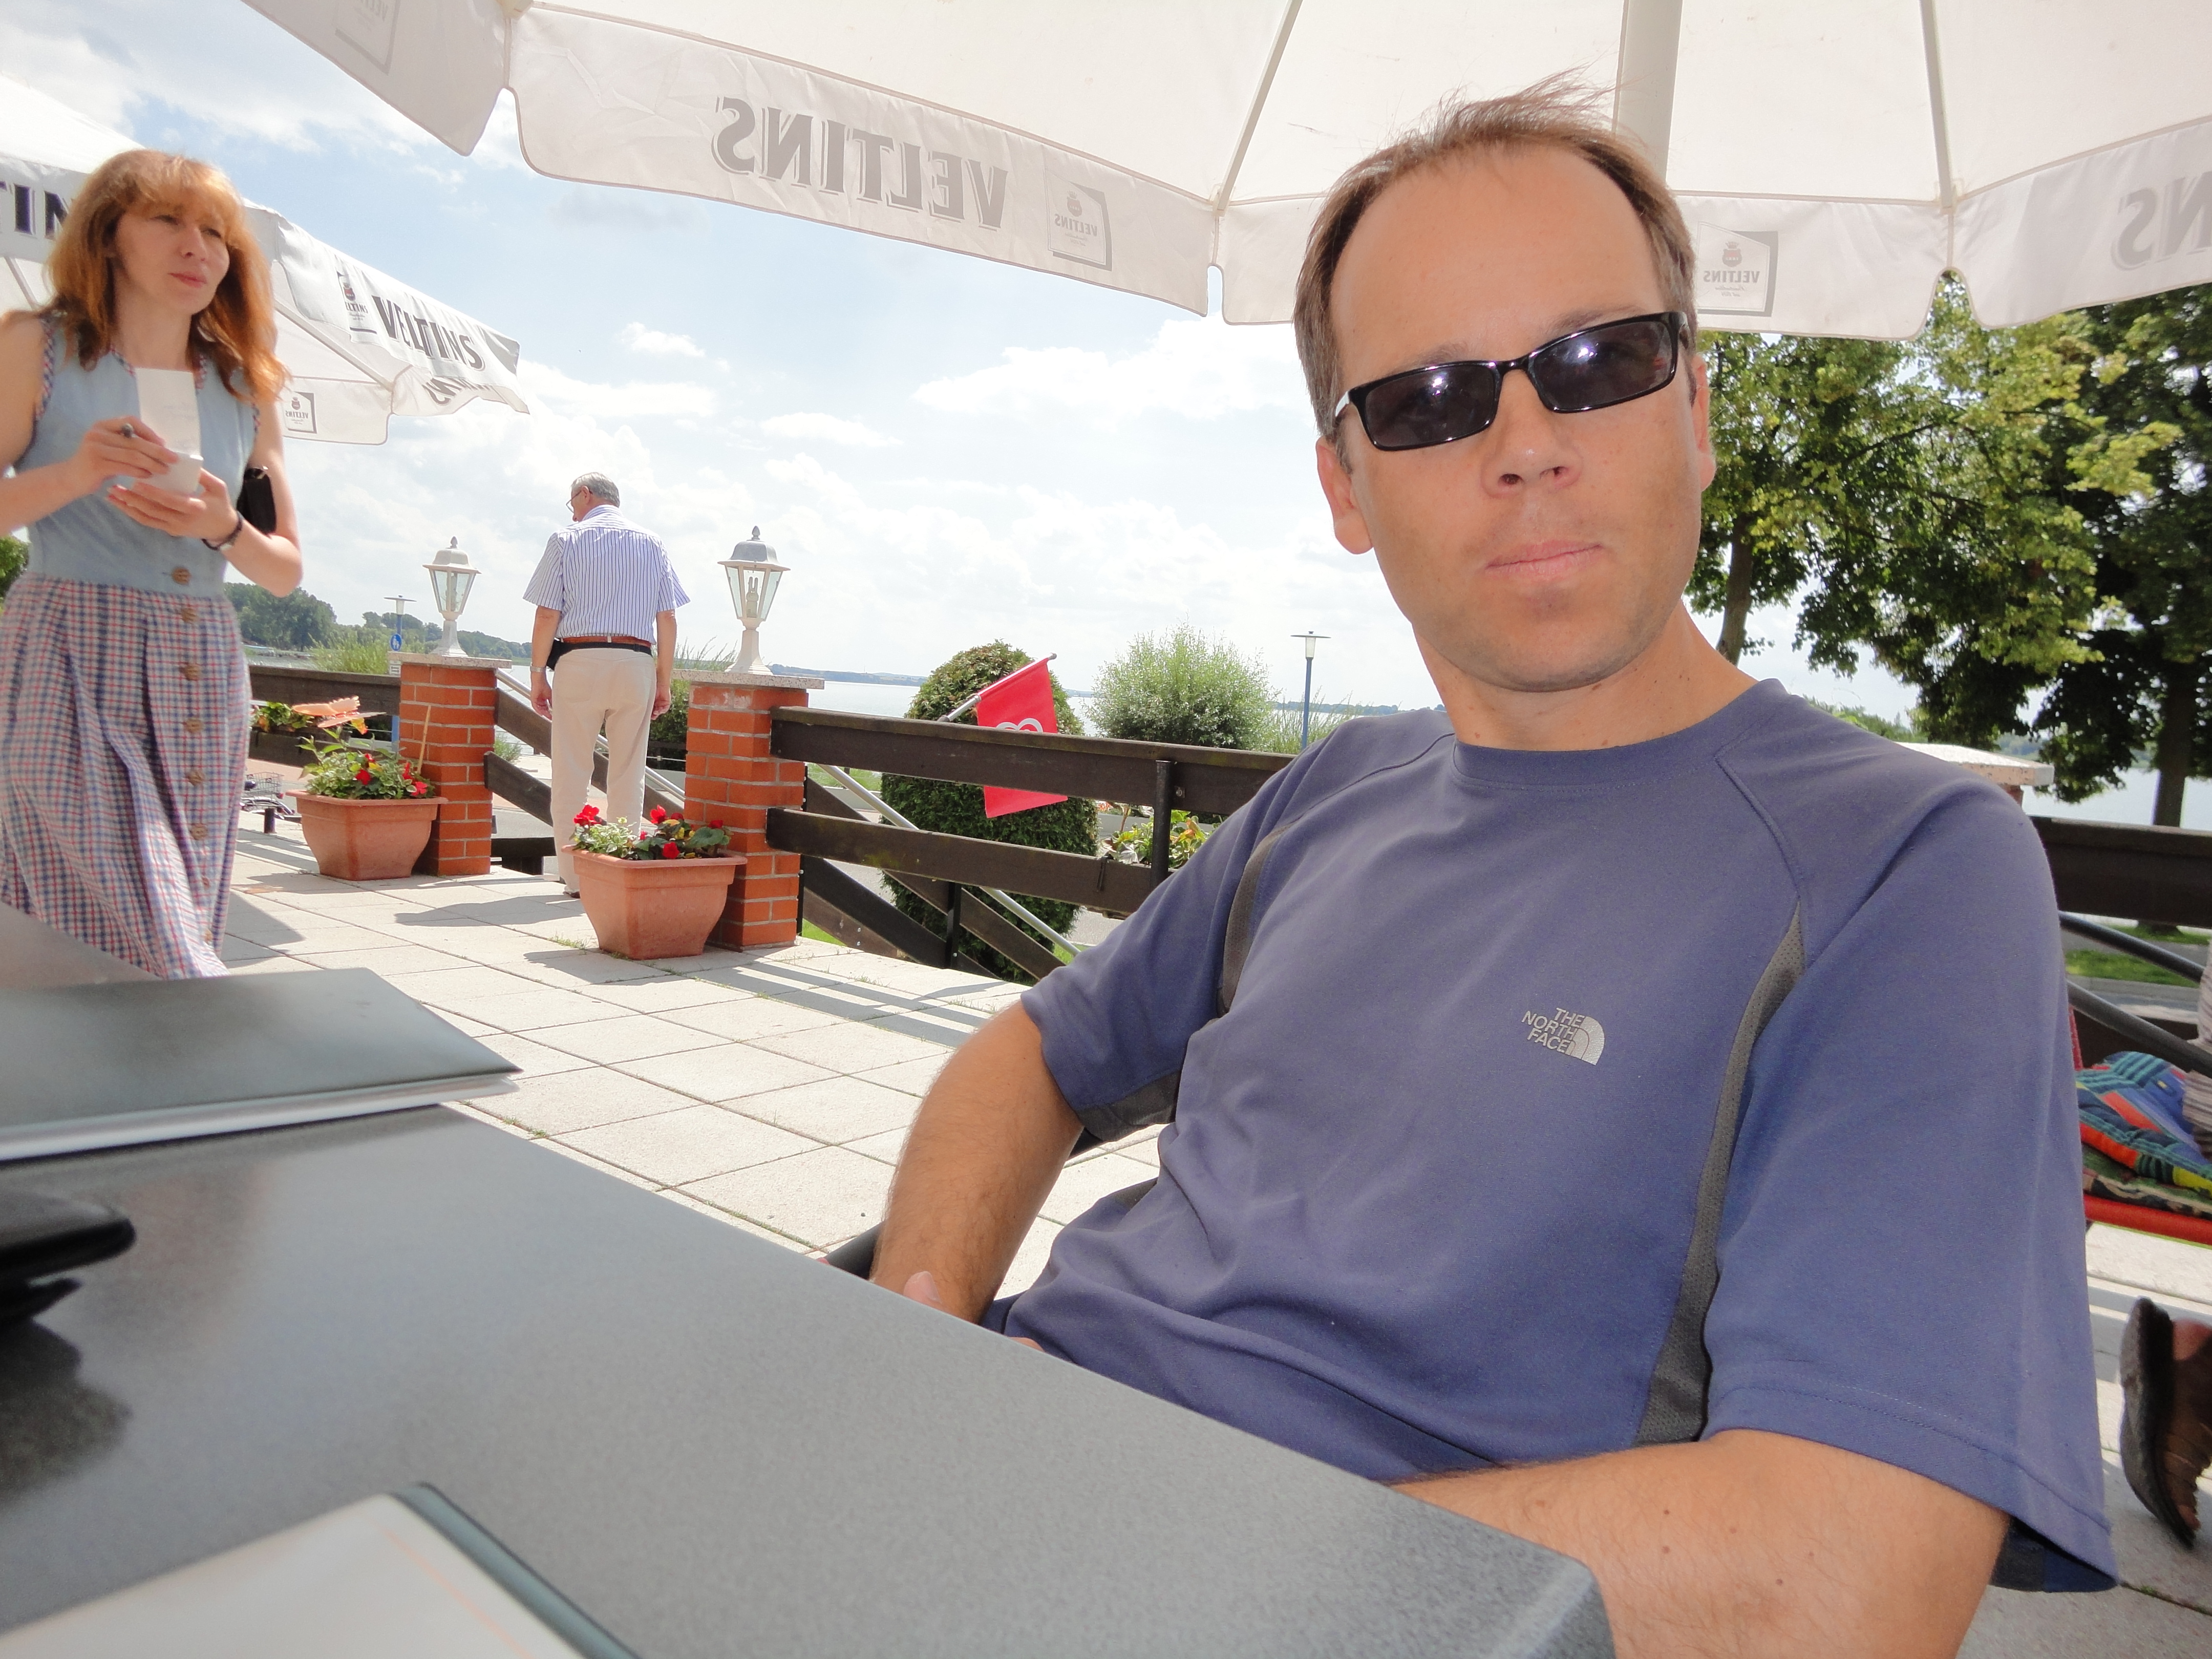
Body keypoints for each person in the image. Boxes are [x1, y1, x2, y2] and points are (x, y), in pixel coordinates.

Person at [870, 84, 2115, 1655]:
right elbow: (1036, 1051)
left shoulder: (1906, 871)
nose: (1527, 446)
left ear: (1696, 410)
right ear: (1346, 487)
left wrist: (1158, 1544)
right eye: (1431, 401)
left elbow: (1840, 1578)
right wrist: (915, 1336)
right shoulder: (1334, 794)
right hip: (974, 1506)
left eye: (1600, 363)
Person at [0, 150, 302, 979]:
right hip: (67, 649)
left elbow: (283, 570)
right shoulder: (38, 347)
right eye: (167, 220)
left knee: (171, 914)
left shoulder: (245, 385)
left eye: (215, 231)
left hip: (200, 663)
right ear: (108, 237)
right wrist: (76, 473)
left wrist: (223, 527)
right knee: (153, 934)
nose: (196, 245)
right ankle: (214, 1044)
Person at [525, 473, 686, 892]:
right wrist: (664, 681)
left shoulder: (566, 539)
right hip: (636, 662)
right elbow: (668, 618)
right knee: (629, 773)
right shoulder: (652, 543)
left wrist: (538, 674)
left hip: (580, 660)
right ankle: (617, 870)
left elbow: (547, 614)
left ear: (585, 495)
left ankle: (575, 877)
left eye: (572, 504)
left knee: (571, 772)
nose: (573, 513)